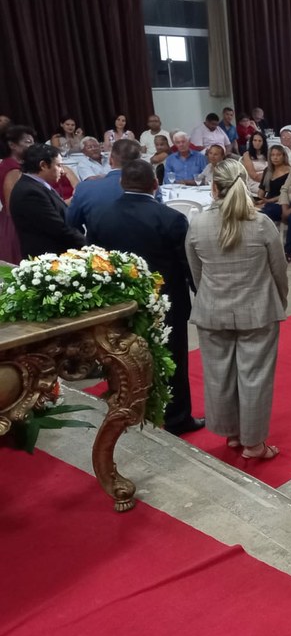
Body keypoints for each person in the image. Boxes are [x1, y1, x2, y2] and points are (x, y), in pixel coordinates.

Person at [89, 160, 203, 436]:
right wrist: (199, 292)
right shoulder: (171, 218)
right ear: (155, 184)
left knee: (122, 356)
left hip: (120, 302)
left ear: (121, 183)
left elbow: (95, 260)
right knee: (172, 357)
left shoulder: (101, 215)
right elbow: (187, 263)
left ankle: (127, 409)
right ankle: (177, 417)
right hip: (165, 300)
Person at [184, 158, 288, 456]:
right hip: (257, 309)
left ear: (214, 188)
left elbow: (196, 274)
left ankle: (232, 433)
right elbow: (279, 270)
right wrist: (279, 301)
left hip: (212, 309)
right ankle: (253, 443)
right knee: (254, 377)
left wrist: (210, 295)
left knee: (219, 375)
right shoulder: (261, 223)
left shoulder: (197, 224)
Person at [65, 138, 143, 235]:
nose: (94, 149)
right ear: (140, 162)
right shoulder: (149, 185)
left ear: (110, 161)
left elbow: (72, 224)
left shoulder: (84, 189)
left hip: (99, 243)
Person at [0, 126, 33, 263]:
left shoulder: (19, 166)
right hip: (17, 223)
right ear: (12, 145)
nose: (32, 146)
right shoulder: (12, 169)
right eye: (27, 142)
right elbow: (12, 205)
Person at [241, 131, 269, 196]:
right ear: (251, 142)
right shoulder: (247, 155)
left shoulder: (268, 153)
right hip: (255, 181)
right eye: (255, 140)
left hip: (268, 178)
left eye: (260, 141)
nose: (257, 143)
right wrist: (269, 177)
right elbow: (254, 176)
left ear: (263, 142)